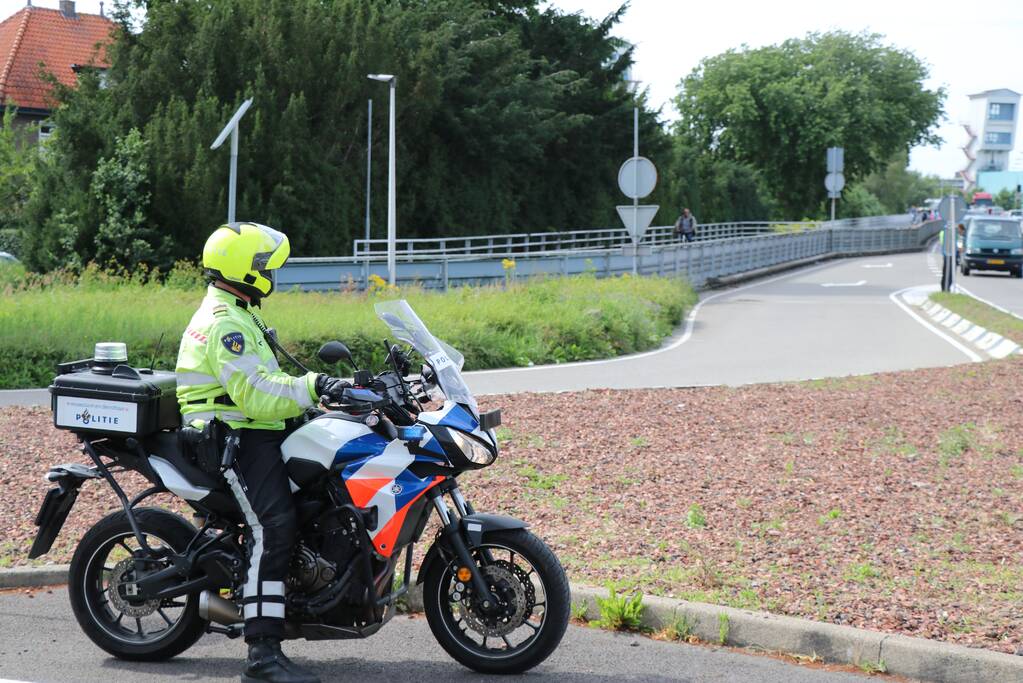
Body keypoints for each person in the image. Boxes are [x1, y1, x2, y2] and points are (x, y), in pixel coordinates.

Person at [176, 222, 348, 683]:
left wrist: (340, 391)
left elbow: (268, 384)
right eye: (265, 265)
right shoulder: (224, 323)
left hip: (255, 428)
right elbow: (254, 393)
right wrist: (314, 386)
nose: (272, 272)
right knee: (273, 524)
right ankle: (262, 654)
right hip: (231, 437)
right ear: (244, 270)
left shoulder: (239, 309)